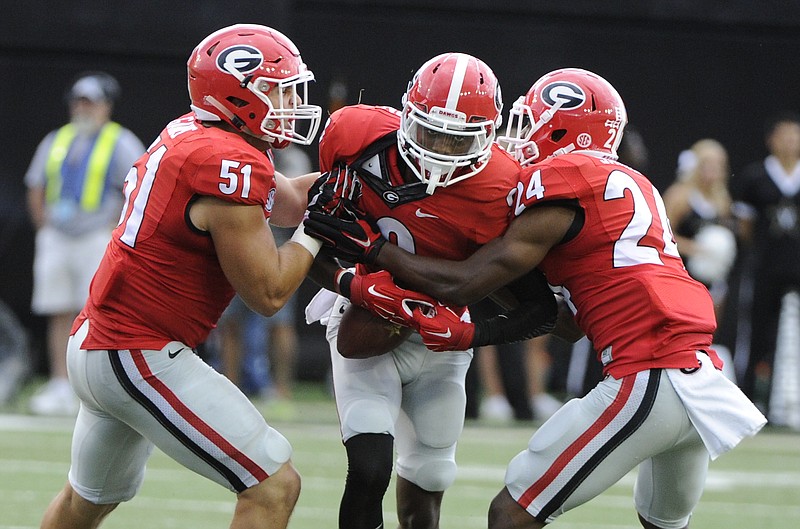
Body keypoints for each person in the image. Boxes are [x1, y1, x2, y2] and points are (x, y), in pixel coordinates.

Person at [306, 67, 767, 529]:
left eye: (531, 122)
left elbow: (464, 284)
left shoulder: (563, 180)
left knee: (511, 514)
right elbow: (565, 323)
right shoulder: (632, 185)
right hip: (701, 377)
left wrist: (372, 248)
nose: (519, 136)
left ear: (562, 129)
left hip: (646, 376)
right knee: (663, 523)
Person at [38, 24, 326, 529]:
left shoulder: (198, 135)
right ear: (240, 93)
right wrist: (321, 230)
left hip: (101, 344)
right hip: (138, 351)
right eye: (278, 89)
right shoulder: (224, 160)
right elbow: (269, 291)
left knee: (87, 502)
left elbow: (294, 202)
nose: (289, 101)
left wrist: (359, 180)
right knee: (273, 485)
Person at [303, 52, 529, 529]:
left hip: (439, 332)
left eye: (457, 137)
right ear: (407, 115)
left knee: (429, 477)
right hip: (365, 313)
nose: (441, 148)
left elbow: (486, 284)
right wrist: (357, 286)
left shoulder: (504, 187)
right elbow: (317, 238)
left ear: (488, 135)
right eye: (431, 131)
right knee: (368, 468)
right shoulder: (355, 137)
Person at [24, 71, 145, 415]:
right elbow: (36, 183)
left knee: (92, 310)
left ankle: (88, 385)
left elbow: (137, 187)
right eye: (79, 101)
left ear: (106, 105)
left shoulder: (121, 141)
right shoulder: (56, 139)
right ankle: (60, 383)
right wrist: (43, 226)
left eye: (90, 101)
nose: (83, 108)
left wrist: (115, 229)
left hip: (95, 236)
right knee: (58, 308)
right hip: (58, 235)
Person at [730, 111, 800, 423]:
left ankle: (789, 405)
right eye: (784, 135)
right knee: (757, 335)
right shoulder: (755, 176)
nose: (790, 141)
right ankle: (749, 403)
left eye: (795, 135)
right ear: (771, 140)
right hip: (766, 267)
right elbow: (745, 226)